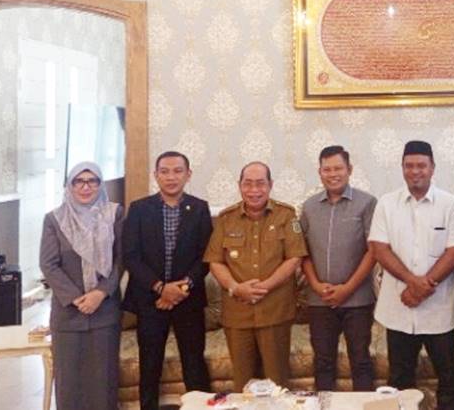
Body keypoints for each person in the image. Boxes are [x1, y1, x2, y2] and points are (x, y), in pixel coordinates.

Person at [368, 140, 454, 410]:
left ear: (432, 168)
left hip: (440, 312)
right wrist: (414, 283)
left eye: (421, 165)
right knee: (399, 379)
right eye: (409, 166)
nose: (415, 171)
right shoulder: (387, 204)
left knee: (448, 379)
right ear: (402, 168)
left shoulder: (450, 204)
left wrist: (424, 287)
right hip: (398, 310)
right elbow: (379, 248)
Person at [204, 161, 308, 390]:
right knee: (244, 385)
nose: (254, 190)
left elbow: (294, 258)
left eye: (260, 184)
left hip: (275, 311)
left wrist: (266, 286)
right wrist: (235, 287)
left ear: (270, 185)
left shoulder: (286, 215)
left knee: (277, 383)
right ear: (239, 186)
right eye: (248, 184)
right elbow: (215, 261)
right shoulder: (225, 218)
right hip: (237, 312)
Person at [122, 151, 212, 410]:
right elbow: (131, 256)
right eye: (164, 171)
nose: (171, 177)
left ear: (188, 174)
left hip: (189, 299)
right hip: (150, 300)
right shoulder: (139, 209)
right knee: (149, 365)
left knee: (194, 364)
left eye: (177, 171)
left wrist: (181, 288)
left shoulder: (199, 208)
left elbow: (206, 257)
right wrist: (161, 288)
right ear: (156, 175)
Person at [39, 162, 123, 410]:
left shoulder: (115, 214)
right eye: (79, 181)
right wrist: (77, 298)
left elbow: (122, 259)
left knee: (103, 380)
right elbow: (49, 264)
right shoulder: (54, 219)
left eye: (92, 181)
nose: (86, 187)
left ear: (100, 185)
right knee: (69, 382)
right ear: (69, 185)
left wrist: (100, 292)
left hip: (105, 311)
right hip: (68, 314)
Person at [300, 145, 378, 391]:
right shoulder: (309, 207)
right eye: (327, 169)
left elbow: (374, 250)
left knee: (361, 361)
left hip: (358, 299)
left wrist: (348, 288)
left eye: (338, 168)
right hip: (319, 299)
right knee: (323, 362)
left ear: (349, 170)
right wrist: (314, 284)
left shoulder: (367, 203)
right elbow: (301, 252)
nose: (333, 174)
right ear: (319, 172)